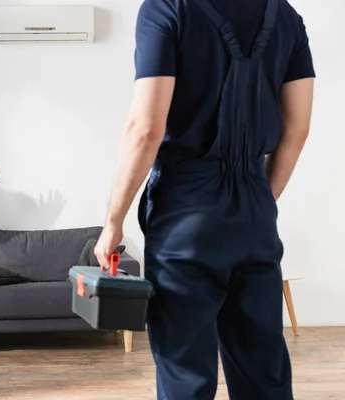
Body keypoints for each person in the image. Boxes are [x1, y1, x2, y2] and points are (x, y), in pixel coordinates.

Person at [94, 0, 314, 399]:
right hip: (255, 208)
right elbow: (297, 130)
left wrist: (113, 221)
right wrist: (261, 200)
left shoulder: (166, 9)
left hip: (186, 212)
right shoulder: (285, 17)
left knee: (185, 375)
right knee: (264, 372)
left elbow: (146, 129)